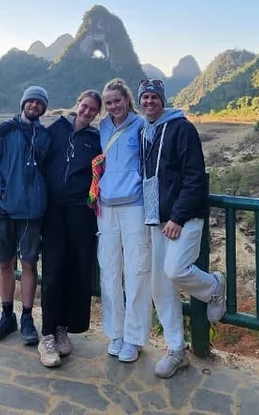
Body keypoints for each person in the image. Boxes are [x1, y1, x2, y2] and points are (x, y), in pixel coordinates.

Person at [137, 78, 226, 379]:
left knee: (175, 270)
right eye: (145, 97)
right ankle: (177, 350)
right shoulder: (146, 132)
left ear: (163, 100)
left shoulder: (181, 128)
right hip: (155, 218)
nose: (149, 102)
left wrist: (177, 216)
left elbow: (194, 178)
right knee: (160, 286)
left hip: (183, 218)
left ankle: (214, 287)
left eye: (154, 97)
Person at [0, 85, 52, 346]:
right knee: (5, 263)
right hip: (3, 209)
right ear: (23, 103)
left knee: (30, 263)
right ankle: (7, 316)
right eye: (30, 101)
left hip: (32, 212)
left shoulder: (45, 136)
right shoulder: (4, 130)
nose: (34, 106)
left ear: (44, 108)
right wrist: (3, 191)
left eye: (39, 103)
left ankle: (27, 318)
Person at [37, 89, 103, 368]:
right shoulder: (57, 129)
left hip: (81, 213)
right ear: (77, 105)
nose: (87, 113)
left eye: (92, 110)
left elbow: (102, 172)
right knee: (52, 269)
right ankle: (47, 334)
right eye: (84, 107)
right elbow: (39, 160)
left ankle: (64, 327)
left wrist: (92, 200)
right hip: (53, 211)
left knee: (77, 269)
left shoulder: (95, 139)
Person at [95, 78, 153, 363]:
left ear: (127, 100)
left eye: (117, 100)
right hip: (105, 208)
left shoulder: (141, 126)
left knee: (137, 271)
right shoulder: (103, 127)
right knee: (109, 270)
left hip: (134, 206)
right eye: (108, 102)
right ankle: (115, 333)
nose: (113, 106)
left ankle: (134, 338)